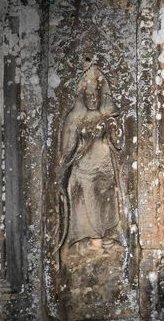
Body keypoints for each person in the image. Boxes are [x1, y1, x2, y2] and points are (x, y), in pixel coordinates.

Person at [56, 62, 124, 255]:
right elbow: (68, 148)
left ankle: (105, 236)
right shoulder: (75, 118)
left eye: (96, 95)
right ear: (82, 97)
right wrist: (62, 164)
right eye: (89, 96)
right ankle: (94, 239)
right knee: (80, 190)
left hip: (105, 167)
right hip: (84, 168)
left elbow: (119, 143)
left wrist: (111, 128)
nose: (93, 99)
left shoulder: (108, 114)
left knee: (108, 200)